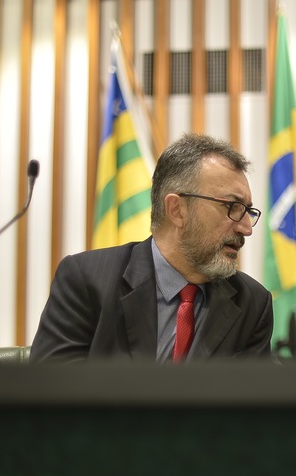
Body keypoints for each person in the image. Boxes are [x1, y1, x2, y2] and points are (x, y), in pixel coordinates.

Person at [30, 133, 273, 363]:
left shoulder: (252, 303)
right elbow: (52, 388)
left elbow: (251, 394)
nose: (246, 228)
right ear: (177, 210)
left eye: (248, 211)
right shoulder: (88, 281)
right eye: (232, 207)